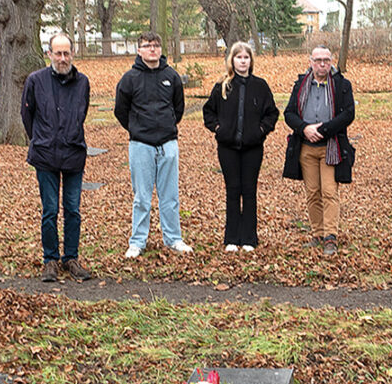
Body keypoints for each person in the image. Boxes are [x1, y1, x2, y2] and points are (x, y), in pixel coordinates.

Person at [114, 31, 193, 258]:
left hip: (168, 143)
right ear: (139, 50)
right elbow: (121, 110)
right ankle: (138, 241)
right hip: (141, 144)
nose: (152, 49)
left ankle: (173, 239)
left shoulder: (172, 76)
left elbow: (178, 107)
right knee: (142, 197)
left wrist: (166, 127)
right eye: (148, 46)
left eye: (156, 45)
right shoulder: (129, 78)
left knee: (170, 196)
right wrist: (137, 129)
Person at [21, 33, 92, 282]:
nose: (62, 58)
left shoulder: (82, 82)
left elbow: (81, 112)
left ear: (72, 53)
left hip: (73, 153)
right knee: (49, 210)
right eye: (58, 53)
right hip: (45, 154)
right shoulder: (35, 81)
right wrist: (41, 139)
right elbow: (27, 116)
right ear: (49, 54)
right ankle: (50, 259)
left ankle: (71, 258)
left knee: (72, 209)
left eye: (66, 53)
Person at [203, 41, 279, 252]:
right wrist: (219, 129)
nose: (242, 61)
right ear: (232, 60)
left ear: (250, 61)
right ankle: (231, 238)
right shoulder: (223, 86)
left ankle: (249, 238)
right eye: (239, 57)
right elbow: (208, 112)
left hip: (252, 147)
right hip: (227, 147)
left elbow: (272, 113)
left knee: (249, 190)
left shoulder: (260, 86)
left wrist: (262, 130)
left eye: (246, 57)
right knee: (233, 190)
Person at [282, 45, 355, 256]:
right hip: (306, 148)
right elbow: (289, 113)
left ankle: (330, 236)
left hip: (331, 148)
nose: (322, 64)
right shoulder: (301, 85)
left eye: (326, 60)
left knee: (330, 192)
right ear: (310, 62)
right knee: (313, 192)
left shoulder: (341, 85)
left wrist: (322, 130)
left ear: (331, 62)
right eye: (318, 60)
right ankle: (317, 233)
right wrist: (304, 128)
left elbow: (348, 114)